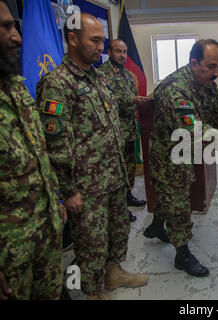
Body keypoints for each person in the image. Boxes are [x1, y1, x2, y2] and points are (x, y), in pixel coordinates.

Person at [36, 13, 148, 300]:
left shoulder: (98, 77)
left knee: (117, 229)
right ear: (73, 39)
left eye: (103, 41)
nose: (101, 47)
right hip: (87, 185)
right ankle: (93, 292)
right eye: (95, 40)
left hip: (113, 174)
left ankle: (113, 272)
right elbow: (56, 142)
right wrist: (69, 190)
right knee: (91, 243)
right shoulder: (57, 83)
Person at [143, 39, 218, 277]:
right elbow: (194, 129)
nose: (217, 73)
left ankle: (156, 226)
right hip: (168, 157)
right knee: (178, 203)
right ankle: (182, 254)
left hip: (185, 151)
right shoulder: (174, 89)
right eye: (211, 66)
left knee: (171, 196)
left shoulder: (206, 82)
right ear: (194, 63)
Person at [0, 0, 66, 300]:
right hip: (10, 254)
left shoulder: (15, 87)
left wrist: (56, 200)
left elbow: (40, 154)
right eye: (5, 27)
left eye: (15, 25)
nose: (18, 37)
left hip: (45, 232)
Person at [100, 39, 148, 223]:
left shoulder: (127, 74)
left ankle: (128, 196)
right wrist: (132, 100)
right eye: (118, 51)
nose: (122, 55)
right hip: (114, 131)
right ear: (109, 52)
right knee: (117, 172)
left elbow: (130, 96)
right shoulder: (102, 74)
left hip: (129, 129)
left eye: (124, 51)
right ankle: (119, 208)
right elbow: (109, 100)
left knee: (128, 168)